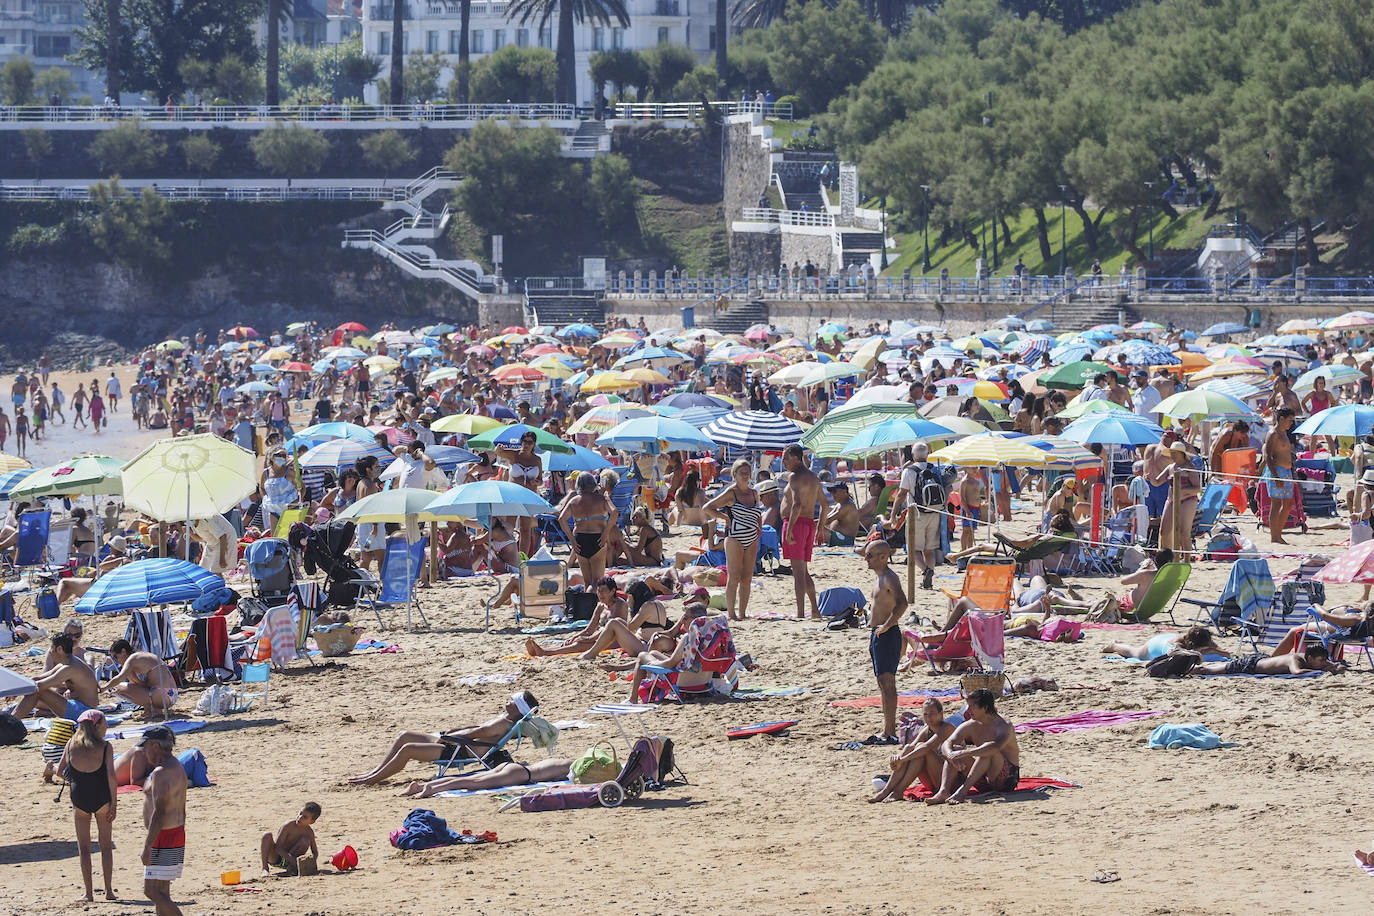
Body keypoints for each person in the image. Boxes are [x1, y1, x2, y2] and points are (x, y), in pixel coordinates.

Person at [348, 692, 540, 784]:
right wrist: (451, 732)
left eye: (512, 701)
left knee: (407, 749)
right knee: (404, 735)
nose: (508, 700)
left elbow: (475, 734)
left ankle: (372, 779)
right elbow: (476, 729)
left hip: (457, 750)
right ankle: (374, 772)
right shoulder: (504, 721)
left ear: (518, 708)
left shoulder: (501, 724)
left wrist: (448, 737)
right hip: (457, 744)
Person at [58, 709, 118, 902]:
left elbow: (60, 772)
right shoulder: (105, 747)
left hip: (80, 798)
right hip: (102, 798)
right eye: (105, 723)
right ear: (97, 725)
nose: (107, 726)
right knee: (106, 847)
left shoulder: (70, 745)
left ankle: (89, 893)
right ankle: (109, 891)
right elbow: (110, 775)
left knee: (84, 848)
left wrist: (74, 777)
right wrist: (114, 804)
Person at [926, 687, 1020, 804]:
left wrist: (965, 753)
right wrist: (951, 755)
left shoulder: (1003, 725)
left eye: (972, 707)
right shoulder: (971, 724)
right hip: (984, 778)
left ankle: (962, 792)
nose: (968, 710)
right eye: (967, 706)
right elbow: (947, 743)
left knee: (986, 751)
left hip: (1006, 780)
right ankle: (944, 791)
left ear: (985, 708)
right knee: (954, 750)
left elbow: (995, 747)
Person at [139, 724, 187, 916]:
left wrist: (147, 847)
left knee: (151, 890)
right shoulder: (176, 766)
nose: (144, 752)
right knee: (163, 891)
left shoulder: (161, 772)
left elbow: (159, 813)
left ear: (156, 746)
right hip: (175, 832)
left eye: (146, 747)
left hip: (163, 835)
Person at [868, 698, 955, 803]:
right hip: (934, 779)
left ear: (941, 713)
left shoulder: (947, 728)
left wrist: (903, 759)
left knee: (922, 749)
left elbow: (927, 746)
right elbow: (911, 747)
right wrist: (898, 758)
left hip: (951, 780)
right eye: (925, 714)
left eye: (932, 713)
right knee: (910, 748)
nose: (929, 717)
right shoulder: (927, 729)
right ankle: (887, 791)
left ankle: (898, 791)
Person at [705, 460, 762, 620]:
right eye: (742, 472)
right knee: (734, 576)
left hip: (752, 537)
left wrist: (759, 526)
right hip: (734, 537)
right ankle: (731, 613)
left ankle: (742, 613)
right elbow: (708, 507)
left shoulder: (754, 493)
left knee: (747, 578)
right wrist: (724, 518)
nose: (745, 475)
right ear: (734, 474)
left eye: (747, 472)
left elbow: (757, 513)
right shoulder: (731, 493)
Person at [865, 539, 907, 746]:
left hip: (887, 635)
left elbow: (903, 603)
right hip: (878, 634)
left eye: (870, 555)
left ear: (883, 557)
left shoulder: (890, 577)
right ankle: (887, 729)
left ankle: (890, 731)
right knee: (883, 683)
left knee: (888, 683)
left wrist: (888, 626)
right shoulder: (880, 577)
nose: (866, 559)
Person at [7, 633, 99, 720]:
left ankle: (10, 723)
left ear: (59, 649)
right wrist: (15, 690)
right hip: (76, 706)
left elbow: (39, 686)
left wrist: (15, 691)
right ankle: (10, 722)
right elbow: (37, 679)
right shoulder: (68, 663)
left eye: (51, 648)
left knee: (38, 691)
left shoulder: (70, 668)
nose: (50, 651)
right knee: (36, 691)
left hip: (84, 712)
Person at [400, 758, 575, 799]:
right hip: (522, 775)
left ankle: (421, 785)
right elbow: (565, 780)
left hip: (514, 766)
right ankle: (433, 789)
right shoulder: (573, 766)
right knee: (473, 783)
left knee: (474, 777)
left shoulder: (564, 760)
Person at [780, 444, 821, 619]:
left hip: (796, 524)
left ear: (796, 458)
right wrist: (820, 527)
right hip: (809, 523)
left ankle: (800, 613)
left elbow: (796, 504)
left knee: (798, 573)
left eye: (786, 457)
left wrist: (789, 530)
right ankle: (814, 609)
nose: (783, 461)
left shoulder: (795, 477)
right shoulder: (813, 476)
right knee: (803, 571)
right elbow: (824, 504)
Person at [560, 471, 614, 588]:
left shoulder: (574, 501)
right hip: (598, 538)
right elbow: (614, 513)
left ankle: (587, 604)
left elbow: (561, 519)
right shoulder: (601, 499)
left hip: (579, 539)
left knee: (588, 582)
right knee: (598, 582)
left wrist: (572, 540)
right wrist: (606, 533)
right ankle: (595, 605)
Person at [104, 639, 179, 717]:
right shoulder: (139, 656)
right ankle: (152, 709)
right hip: (172, 694)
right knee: (138, 686)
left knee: (119, 688)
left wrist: (104, 688)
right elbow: (136, 683)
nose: (115, 661)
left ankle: (153, 710)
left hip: (162, 695)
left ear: (123, 651)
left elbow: (119, 678)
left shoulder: (132, 660)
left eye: (115, 657)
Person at [1189, 643, 1344, 676]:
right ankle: (1188, 669)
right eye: (1321, 660)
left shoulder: (1310, 659)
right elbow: (1297, 672)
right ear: (1310, 658)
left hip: (1262, 659)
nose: (1323, 663)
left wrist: (1333, 667)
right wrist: (1325, 672)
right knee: (1210, 670)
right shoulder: (1295, 659)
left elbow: (1332, 665)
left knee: (1223, 665)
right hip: (1251, 665)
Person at [1100, 625, 1230, 660]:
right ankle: (1114, 645)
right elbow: (1190, 658)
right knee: (1134, 652)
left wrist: (1214, 649)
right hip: (1156, 645)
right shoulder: (1175, 646)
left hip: (1170, 636)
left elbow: (1227, 654)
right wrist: (1204, 652)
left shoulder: (1202, 637)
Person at [260, 802, 321, 876]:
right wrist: (291, 859)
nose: (300, 817)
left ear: (312, 822)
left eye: (305, 817)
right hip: (276, 858)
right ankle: (265, 868)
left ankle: (291, 868)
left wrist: (312, 862)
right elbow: (277, 848)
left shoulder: (309, 832)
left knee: (305, 840)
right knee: (267, 835)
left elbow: (314, 851)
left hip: (292, 862)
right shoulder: (288, 826)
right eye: (300, 813)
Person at [1264, 408, 1297, 544]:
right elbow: (1267, 455)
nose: (1291, 423)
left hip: (1287, 471)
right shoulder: (1273, 433)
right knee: (1276, 504)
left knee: (1288, 504)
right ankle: (1274, 536)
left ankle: (1279, 534)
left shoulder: (1284, 433)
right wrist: (1275, 476)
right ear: (1281, 419)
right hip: (1277, 471)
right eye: (1289, 420)